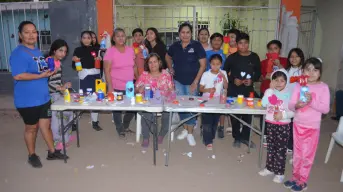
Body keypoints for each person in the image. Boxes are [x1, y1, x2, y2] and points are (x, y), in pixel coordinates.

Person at [10, 21, 67, 168]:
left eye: (34, 32)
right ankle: (32, 155)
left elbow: (41, 73)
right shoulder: (18, 53)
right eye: (27, 32)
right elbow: (18, 75)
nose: (31, 35)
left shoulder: (37, 52)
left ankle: (52, 152)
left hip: (43, 98)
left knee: (46, 126)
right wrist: (41, 76)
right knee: (31, 128)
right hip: (27, 100)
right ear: (20, 35)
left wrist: (49, 73)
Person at [284, 58, 330, 192]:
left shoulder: (323, 87)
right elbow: (291, 104)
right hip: (298, 123)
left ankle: (303, 181)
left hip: (312, 127)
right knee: (297, 154)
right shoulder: (299, 85)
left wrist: (311, 102)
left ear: (320, 72)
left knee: (307, 155)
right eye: (308, 69)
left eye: (315, 70)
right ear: (303, 71)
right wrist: (297, 105)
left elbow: (325, 109)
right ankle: (295, 177)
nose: (311, 73)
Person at [166, 22, 207, 146]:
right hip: (178, 81)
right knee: (181, 106)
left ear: (191, 33)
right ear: (179, 34)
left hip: (192, 82)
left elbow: (203, 65)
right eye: (183, 32)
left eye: (188, 32)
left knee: (191, 106)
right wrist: (170, 68)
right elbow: (167, 57)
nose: (185, 35)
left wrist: (195, 82)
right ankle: (185, 129)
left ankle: (190, 133)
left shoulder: (197, 45)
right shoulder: (175, 46)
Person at [224, 32, 261, 148]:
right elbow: (224, 73)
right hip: (234, 90)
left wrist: (252, 80)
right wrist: (233, 79)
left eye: (245, 43)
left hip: (248, 91)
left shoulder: (254, 57)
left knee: (247, 115)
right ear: (236, 44)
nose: (243, 46)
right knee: (235, 115)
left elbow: (259, 73)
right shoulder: (232, 58)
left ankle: (245, 137)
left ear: (248, 43)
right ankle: (237, 137)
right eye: (240, 43)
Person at [258, 69, 294, 184]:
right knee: (270, 147)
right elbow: (264, 104)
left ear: (286, 82)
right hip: (271, 124)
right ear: (272, 81)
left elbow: (293, 111)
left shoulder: (289, 94)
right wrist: (269, 89)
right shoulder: (269, 91)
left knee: (280, 150)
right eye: (276, 80)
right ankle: (269, 168)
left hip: (283, 125)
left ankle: (279, 173)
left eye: (282, 81)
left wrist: (283, 115)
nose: (278, 83)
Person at [135, 53, 174, 147]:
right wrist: (139, 89)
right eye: (150, 62)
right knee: (146, 115)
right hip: (148, 103)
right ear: (147, 64)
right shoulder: (144, 75)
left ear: (159, 62)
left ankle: (161, 135)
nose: (153, 64)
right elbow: (136, 89)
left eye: (155, 62)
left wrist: (169, 94)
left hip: (164, 102)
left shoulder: (166, 74)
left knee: (168, 115)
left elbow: (172, 89)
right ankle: (145, 137)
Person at [103, 28, 135, 138]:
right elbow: (106, 70)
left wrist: (139, 79)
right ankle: (119, 128)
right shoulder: (110, 51)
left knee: (133, 107)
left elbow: (134, 66)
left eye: (123, 35)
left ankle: (125, 125)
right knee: (117, 108)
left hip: (130, 85)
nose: (121, 38)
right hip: (116, 84)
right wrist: (110, 87)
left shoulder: (130, 50)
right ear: (114, 38)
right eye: (118, 36)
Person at [72, 31, 102, 131]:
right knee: (82, 98)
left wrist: (99, 60)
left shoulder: (96, 49)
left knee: (95, 99)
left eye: (88, 37)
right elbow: (74, 66)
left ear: (92, 39)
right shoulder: (77, 50)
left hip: (95, 77)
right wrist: (76, 61)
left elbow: (100, 67)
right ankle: (75, 122)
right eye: (84, 37)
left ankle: (95, 122)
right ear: (81, 39)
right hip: (84, 78)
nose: (86, 40)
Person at [47, 39, 75, 150]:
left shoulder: (58, 62)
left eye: (65, 51)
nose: (63, 54)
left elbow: (57, 80)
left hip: (58, 93)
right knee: (57, 119)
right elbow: (46, 82)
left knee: (68, 112)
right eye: (60, 50)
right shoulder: (49, 62)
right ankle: (58, 140)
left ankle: (66, 137)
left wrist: (64, 85)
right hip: (52, 95)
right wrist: (60, 88)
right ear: (54, 50)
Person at [260, 40, 288, 147]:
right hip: (267, 90)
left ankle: (278, 133)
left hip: (281, 93)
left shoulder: (285, 61)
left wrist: (279, 64)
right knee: (266, 112)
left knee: (279, 111)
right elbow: (261, 77)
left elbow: (286, 75)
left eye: (275, 48)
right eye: (270, 49)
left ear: (279, 50)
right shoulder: (263, 62)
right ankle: (266, 134)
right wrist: (265, 76)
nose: (273, 51)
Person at [199, 54, 228, 150]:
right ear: (209, 64)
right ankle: (208, 141)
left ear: (221, 64)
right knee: (207, 120)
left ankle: (209, 136)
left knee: (215, 120)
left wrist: (223, 77)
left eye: (218, 64)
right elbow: (201, 89)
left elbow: (226, 87)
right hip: (207, 99)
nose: (215, 66)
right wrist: (208, 90)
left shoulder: (223, 73)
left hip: (219, 100)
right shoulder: (206, 74)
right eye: (213, 64)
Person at [204, 33, 227, 138]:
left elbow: (226, 68)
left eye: (219, 40)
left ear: (222, 42)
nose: (216, 42)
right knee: (207, 106)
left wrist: (224, 78)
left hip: (220, 82)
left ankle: (221, 126)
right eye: (214, 40)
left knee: (221, 106)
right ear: (210, 41)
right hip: (208, 80)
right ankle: (205, 126)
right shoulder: (206, 53)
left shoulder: (225, 53)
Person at [285, 48, 305, 158]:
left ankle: (294, 147)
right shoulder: (286, 71)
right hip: (287, 102)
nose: (294, 59)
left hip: (299, 103)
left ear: (301, 58)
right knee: (287, 124)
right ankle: (288, 145)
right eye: (291, 56)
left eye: (296, 56)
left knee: (296, 125)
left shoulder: (304, 71)